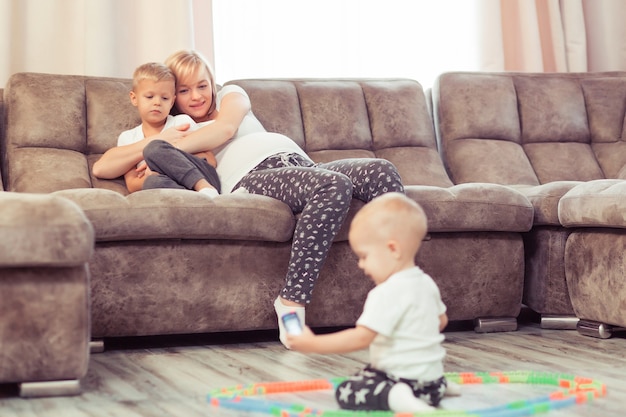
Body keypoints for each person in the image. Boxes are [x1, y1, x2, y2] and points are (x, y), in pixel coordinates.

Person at [93, 50, 405, 348]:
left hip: (303, 165)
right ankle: (291, 301)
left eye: (203, 85)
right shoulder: (178, 126)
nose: (197, 96)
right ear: (174, 96)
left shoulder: (232, 95)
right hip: (254, 176)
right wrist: (160, 147)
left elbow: (226, 129)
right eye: (185, 91)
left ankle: (399, 294)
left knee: (381, 171)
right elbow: (107, 166)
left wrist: (171, 148)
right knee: (333, 186)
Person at [287, 192, 450, 412]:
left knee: (347, 390)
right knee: (369, 372)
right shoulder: (426, 282)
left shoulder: (385, 293)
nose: (361, 265)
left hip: (404, 382)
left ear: (393, 249)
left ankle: (396, 396)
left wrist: (312, 344)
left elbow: (361, 338)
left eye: (364, 256)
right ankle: (439, 387)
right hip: (431, 382)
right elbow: (441, 321)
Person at [106, 62, 220, 195]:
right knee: (152, 183)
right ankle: (200, 200)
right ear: (134, 98)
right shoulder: (128, 138)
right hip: (178, 190)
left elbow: (211, 161)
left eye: (165, 98)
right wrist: (155, 174)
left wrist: (167, 161)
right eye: (149, 97)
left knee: (154, 148)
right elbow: (131, 184)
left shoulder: (181, 122)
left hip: (206, 179)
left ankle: (204, 188)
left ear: (172, 101)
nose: (157, 102)